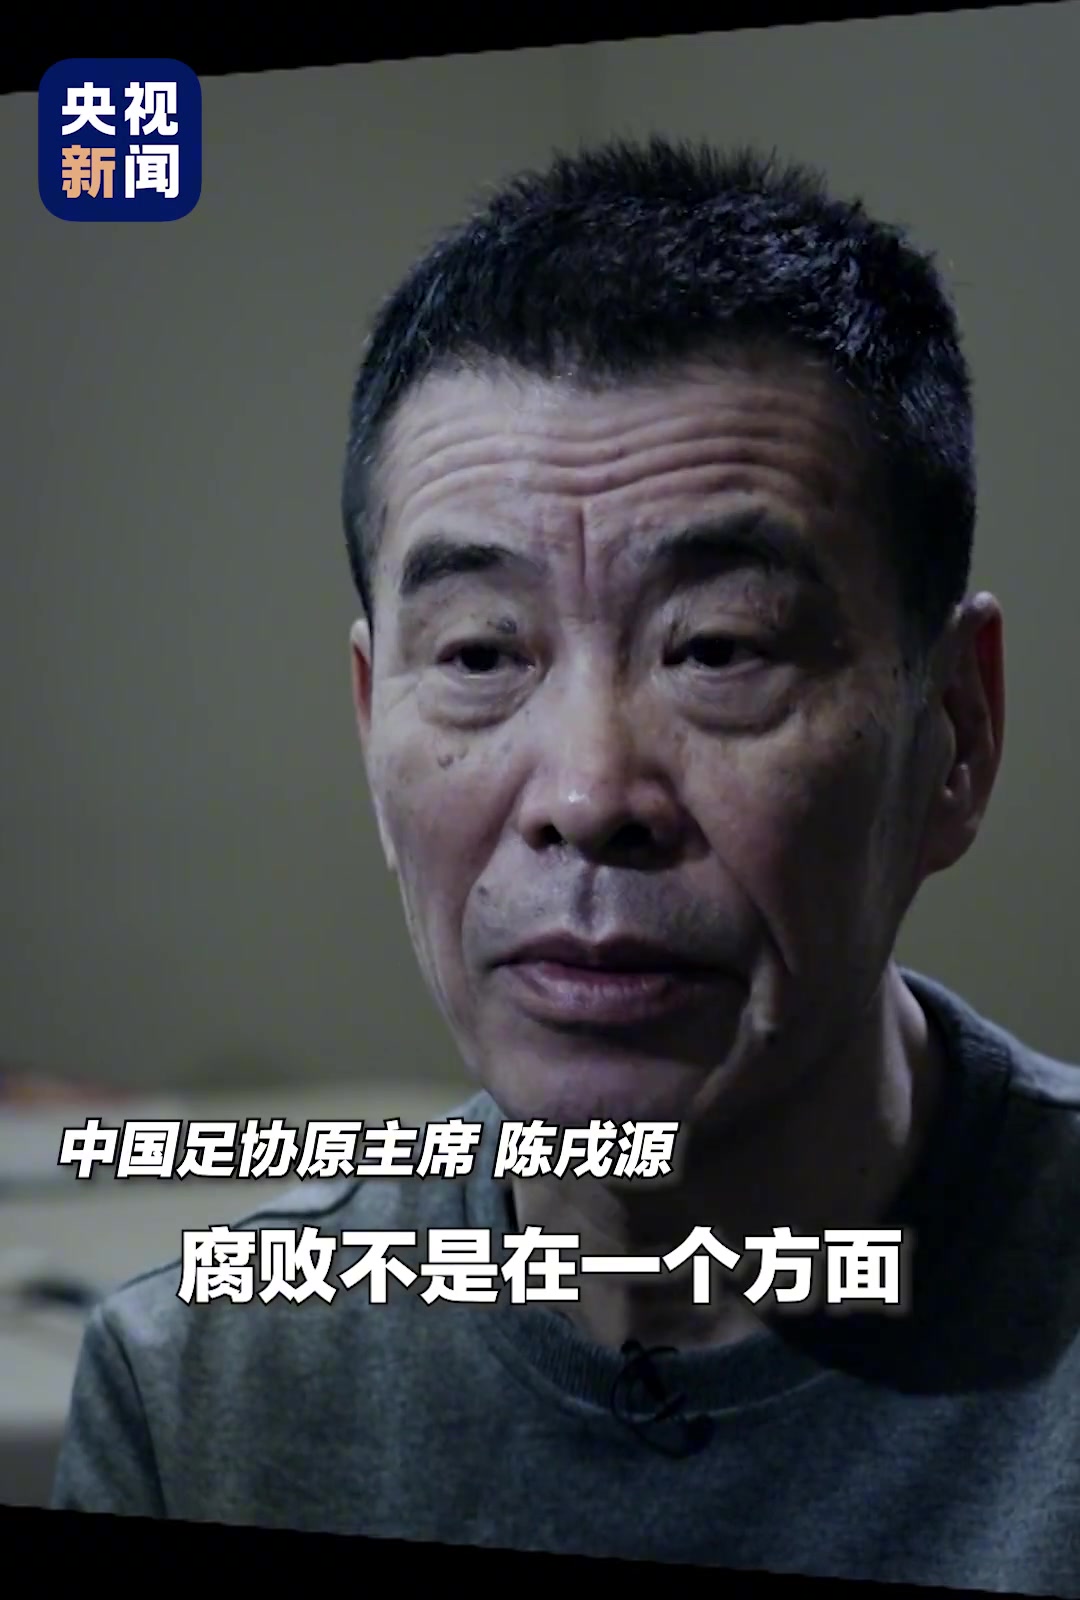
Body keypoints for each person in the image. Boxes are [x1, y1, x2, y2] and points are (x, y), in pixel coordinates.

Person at [51, 137, 1080, 1594]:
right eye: (481, 655)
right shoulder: (202, 1396)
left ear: (956, 734)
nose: (590, 796)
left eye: (718, 646)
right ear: (371, 719)